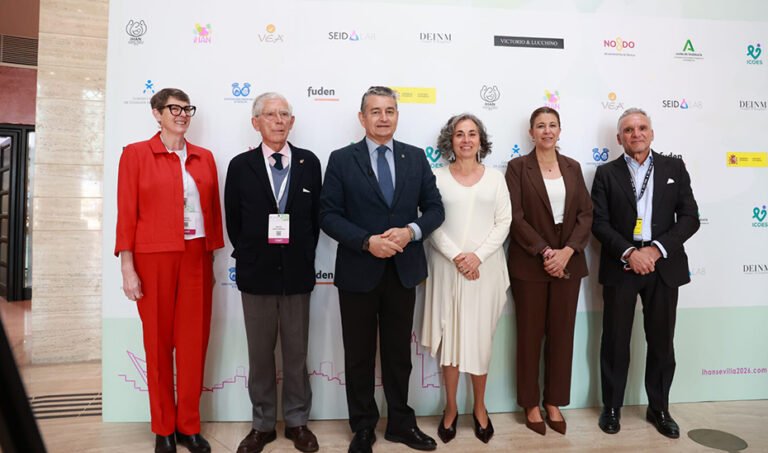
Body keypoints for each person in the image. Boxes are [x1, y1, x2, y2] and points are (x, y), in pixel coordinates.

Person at [319, 86, 444, 453]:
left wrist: (411, 231)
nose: (383, 117)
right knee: (358, 355)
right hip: (359, 270)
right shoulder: (342, 159)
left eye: (389, 110)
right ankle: (362, 427)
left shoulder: (416, 157)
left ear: (397, 116)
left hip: (402, 271)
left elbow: (435, 208)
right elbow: (327, 215)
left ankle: (401, 424)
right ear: (362, 118)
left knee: (397, 354)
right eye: (375, 111)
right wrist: (365, 241)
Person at [115, 88, 224, 453]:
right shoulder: (135, 154)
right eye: (173, 109)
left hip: (195, 256)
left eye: (186, 109)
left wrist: (209, 258)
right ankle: (163, 428)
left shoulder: (204, 158)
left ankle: (188, 426)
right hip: (153, 257)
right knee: (158, 345)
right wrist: (128, 268)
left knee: (193, 344)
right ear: (156, 113)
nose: (181, 114)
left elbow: (212, 210)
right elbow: (126, 213)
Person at [591, 108, 699, 439]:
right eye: (628, 129)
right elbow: (599, 223)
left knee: (662, 341)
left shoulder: (673, 168)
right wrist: (630, 253)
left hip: (663, 265)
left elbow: (690, 218)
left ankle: (659, 408)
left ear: (651, 133)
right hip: (622, 264)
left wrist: (654, 251)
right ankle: (611, 407)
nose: (635, 134)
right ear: (619, 138)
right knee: (615, 341)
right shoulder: (606, 173)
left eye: (641, 128)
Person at [224, 93, 321, 453]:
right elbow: (233, 220)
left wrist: (301, 254)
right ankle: (262, 425)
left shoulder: (310, 163)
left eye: (285, 114)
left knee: (296, 354)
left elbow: (314, 221)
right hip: (256, 275)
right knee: (260, 354)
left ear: (292, 122)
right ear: (256, 123)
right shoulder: (240, 165)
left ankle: (297, 422)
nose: (278, 120)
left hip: (297, 275)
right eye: (270, 114)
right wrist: (253, 254)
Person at [421, 113, 511, 444]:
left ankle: (481, 408)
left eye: (472, 133)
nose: (466, 139)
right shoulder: (436, 177)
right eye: (460, 134)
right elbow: (431, 221)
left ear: (480, 140)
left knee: (479, 341)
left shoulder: (496, 178)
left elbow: (504, 222)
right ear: (451, 140)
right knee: (451, 341)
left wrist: (477, 257)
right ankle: (450, 409)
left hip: (484, 271)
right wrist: (458, 256)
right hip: (447, 269)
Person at [505, 107, 593, 436]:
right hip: (530, 264)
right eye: (540, 126)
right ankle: (530, 403)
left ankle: (554, 401)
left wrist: (567, 252)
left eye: (552, 125)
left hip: (568, 264)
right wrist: (545, 251)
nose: (546, 131)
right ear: (530, 133)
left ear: (560, 130)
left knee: (562, 335)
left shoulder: (572, 167)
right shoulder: (517, 168)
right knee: (529, 336)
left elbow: (586, 214)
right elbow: (515, 217)